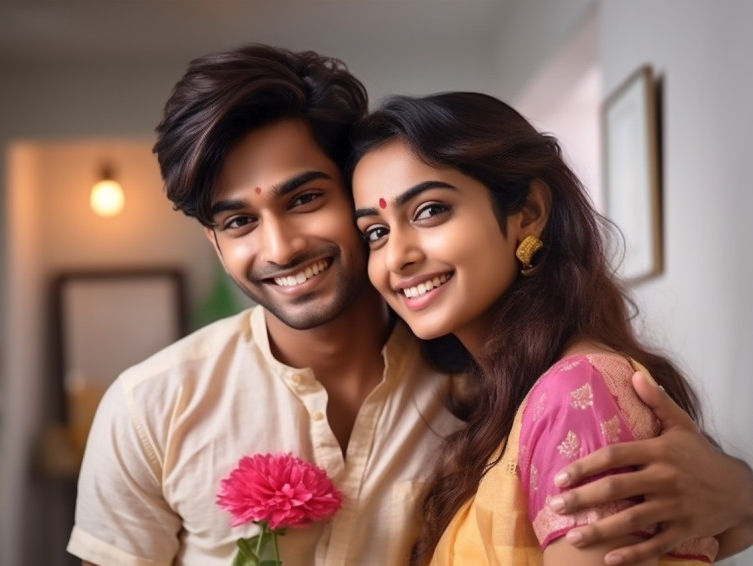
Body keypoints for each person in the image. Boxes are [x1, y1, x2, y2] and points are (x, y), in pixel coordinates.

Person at [66, 45, 753, 566]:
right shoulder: (150, 407)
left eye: (305, 199)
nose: (280, 247)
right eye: (238, 222)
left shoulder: (484, 378)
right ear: (215, 244)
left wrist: (740, 488)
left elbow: (662, 493)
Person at [349, 91, 753, 565]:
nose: (397, 256)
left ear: (530, 212)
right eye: (376, 232)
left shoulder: (575, 390)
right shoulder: (499, 399)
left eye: (430, 210)